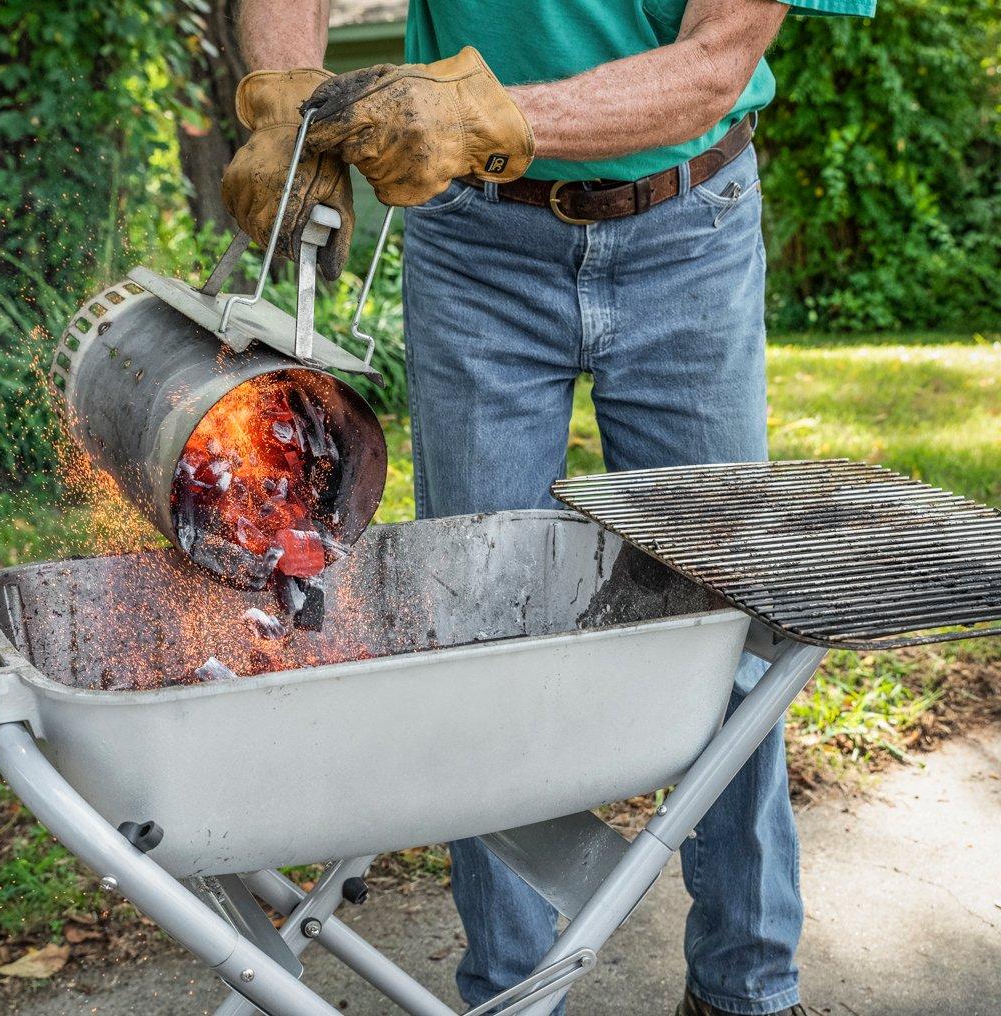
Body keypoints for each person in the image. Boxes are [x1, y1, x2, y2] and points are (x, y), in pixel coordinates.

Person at [222, 1, 875, 1013]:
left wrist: (482, 111)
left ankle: (748, 988)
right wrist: (283, 104)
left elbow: (711, 67)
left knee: (728, 622)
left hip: (687, 227)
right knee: (481, 630)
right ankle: (514, 997)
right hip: (477, 240)